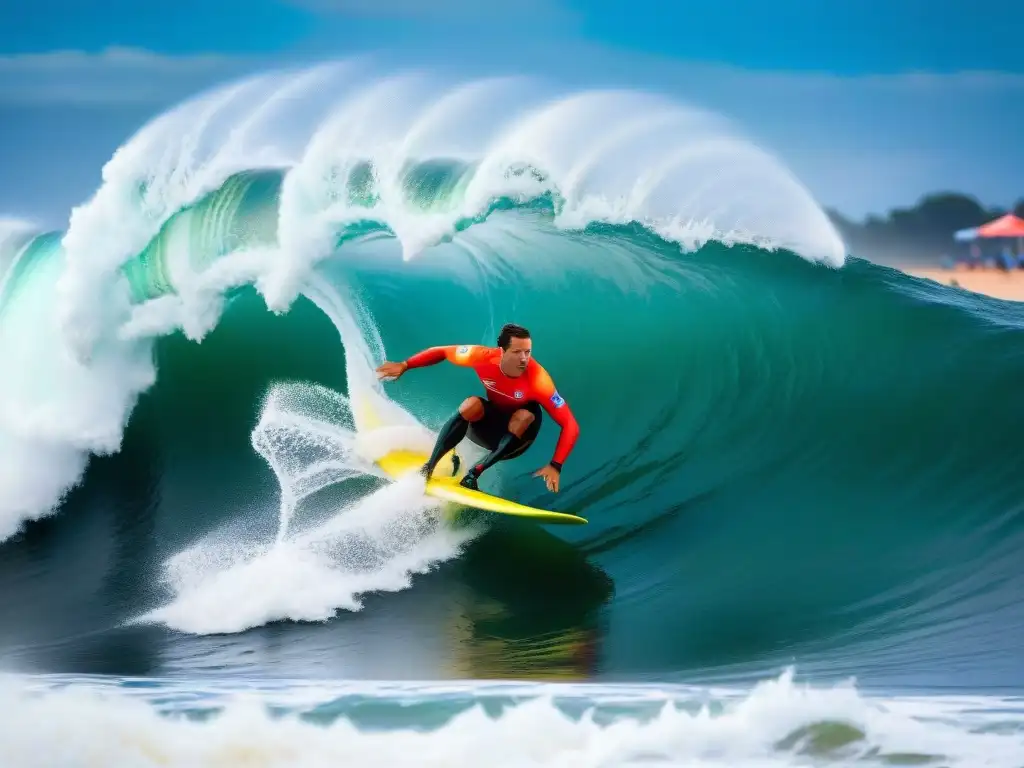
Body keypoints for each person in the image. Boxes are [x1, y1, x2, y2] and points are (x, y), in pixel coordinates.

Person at [375, 323, 579, 493]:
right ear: (502, 351)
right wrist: (405, 365)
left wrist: (556, 465)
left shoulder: (538, 380)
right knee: (470, 404)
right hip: (489, 428)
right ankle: (428, 468)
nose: (524, 358)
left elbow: (570, 424)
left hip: (518, 441)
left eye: (528, 352)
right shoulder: (482, 357)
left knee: (524, 415)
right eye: (517, 352)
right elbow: (442, 351)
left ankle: (474, 475)